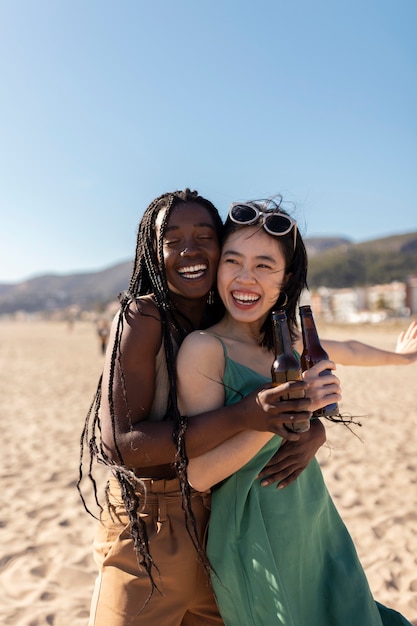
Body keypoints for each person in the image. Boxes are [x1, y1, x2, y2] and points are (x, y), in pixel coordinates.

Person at [78, 189, 328, 626]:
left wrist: (313, 431)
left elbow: (281, 386)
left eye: (204, 237)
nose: (189, 250)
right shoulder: (143, 316)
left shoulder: (226, 319)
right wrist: (249, 415)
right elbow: (121, 444)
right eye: (172, 240)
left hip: (220, 525)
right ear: (153, 252)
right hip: (147, 527)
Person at [176, 197, 414, 626]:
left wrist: (403, 358)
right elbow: (199, 474)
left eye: (264, 265)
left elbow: (350, 348)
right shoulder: (204, 349)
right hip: (254, 532)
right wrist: (292, 409)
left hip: (314, 516)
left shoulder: (285, 343)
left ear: (286, 281)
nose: (246, 278)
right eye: (233, 261)